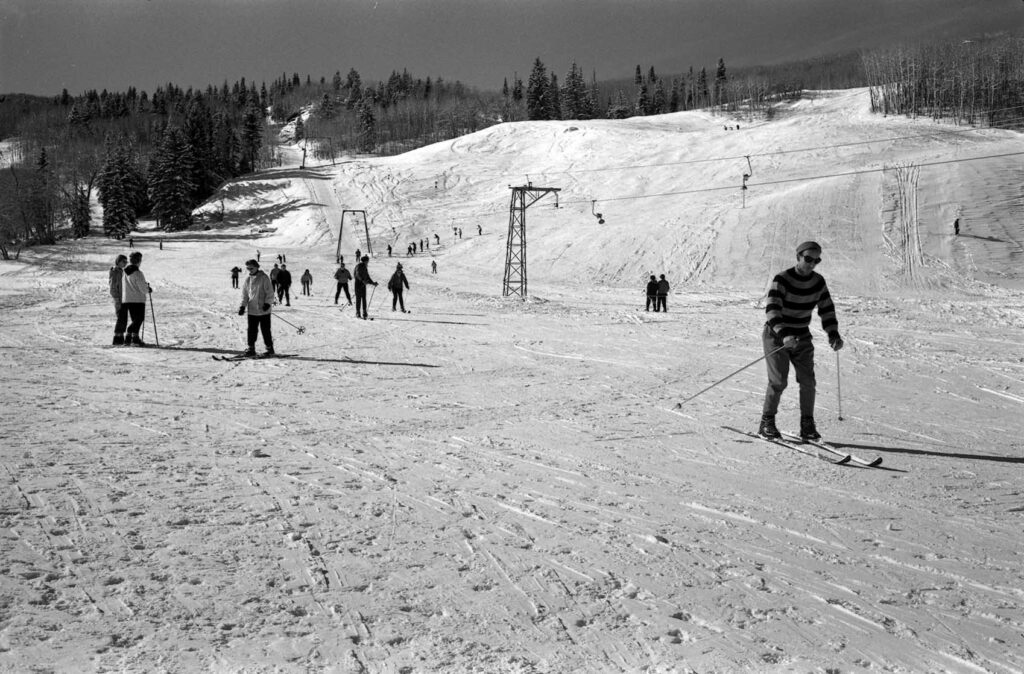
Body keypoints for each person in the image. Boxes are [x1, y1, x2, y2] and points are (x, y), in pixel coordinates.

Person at [759, 241, 844, 441]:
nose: (812, 263)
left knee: (808, 381)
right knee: (778, 381)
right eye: (808, 259)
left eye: (817, 260)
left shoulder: (818, 282)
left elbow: (827, 309)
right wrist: (784, 334)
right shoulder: (782, 279)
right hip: (776, 336)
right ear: (798, 257)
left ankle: (807, 424)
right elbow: (772, 310)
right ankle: (767, 422)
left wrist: (833, 334)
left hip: (801, 337)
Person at [238, 259, 274, 357]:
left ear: (257, 267)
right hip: (252, 310)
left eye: (251, 268)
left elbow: (270, 292)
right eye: (248, 268)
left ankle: (269, 348)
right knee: (251, 330)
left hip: (263, 310)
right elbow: (245, 295)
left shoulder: (264, 278)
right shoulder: (248, 279)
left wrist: (267, 303)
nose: (250, 270)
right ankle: (251, 348)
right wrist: (242, 306)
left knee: (265, 330)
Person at [121, 251, 150, 346]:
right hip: (137, 299)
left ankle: (132, 338)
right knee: (139, 319)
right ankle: (131, 335)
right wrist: (148, 289)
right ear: (138, 261)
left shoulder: (125, 272)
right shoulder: (138, 273)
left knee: (135, 320)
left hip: (128, 298)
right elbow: (142, 288)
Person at [109, 254, 129, 345]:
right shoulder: (115, 272)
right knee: (121, 317)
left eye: (126, 262)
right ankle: (117, 338)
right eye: (123, 261)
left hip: (123, 298)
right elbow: (112, 287)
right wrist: (116, 298)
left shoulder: (122, 271)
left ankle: (120, 337)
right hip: (119, 298)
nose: (125, 263)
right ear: (118, 261)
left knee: (123, 318)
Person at [353, 255, 378, 320]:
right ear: (365, 261)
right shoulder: (359, 266)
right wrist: (362, 280)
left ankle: (364, 311)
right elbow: (357, 274)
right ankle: (358, 312)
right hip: (358, 284)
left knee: (364, 298)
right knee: (358, 298)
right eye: (367, 261)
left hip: (363, 284)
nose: (368, 262)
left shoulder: (365, 267)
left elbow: (367, 277)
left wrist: (373, 283)